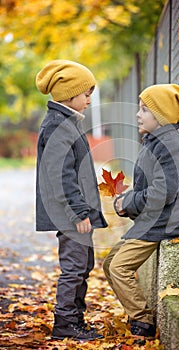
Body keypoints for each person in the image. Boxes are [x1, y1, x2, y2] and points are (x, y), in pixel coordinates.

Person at [103, 84, 179, 337]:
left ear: (162, 116)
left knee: (119, 268)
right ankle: (137, 313)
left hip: (161, 223)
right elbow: (150, 186)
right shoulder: (156, 141)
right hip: (150, 221)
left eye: (144, 110)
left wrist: (129, 202)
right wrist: (126, 200)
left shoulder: (169, 145)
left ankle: (142, 322)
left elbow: (163, 193)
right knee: (111, 263)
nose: (138, 115)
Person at [35, 60, 108, 341]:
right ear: (69, 94)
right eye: (86, 94)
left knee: (83, 265)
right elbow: (59, 176)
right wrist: (78, 212)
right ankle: (65, 323)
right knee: (74, 268)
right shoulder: (57, 126)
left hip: (76, 212)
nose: (89, 99)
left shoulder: (67, 122)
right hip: (70, 215)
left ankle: (76, 319)